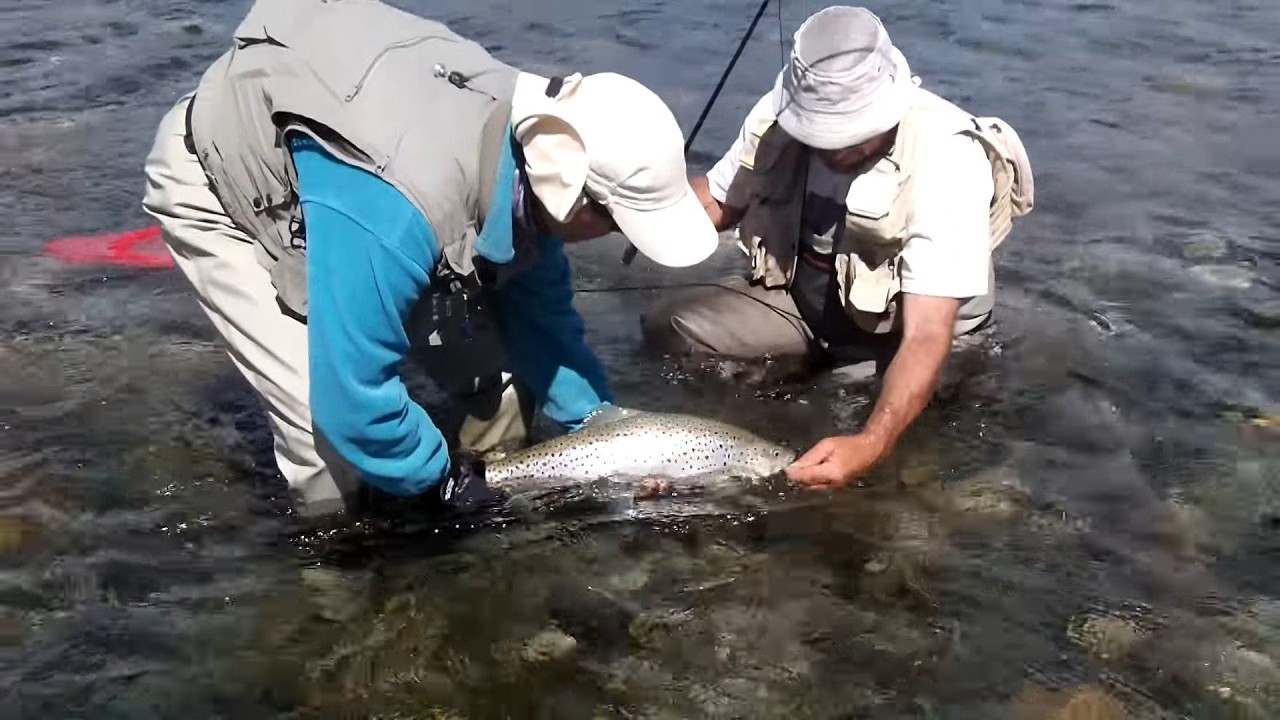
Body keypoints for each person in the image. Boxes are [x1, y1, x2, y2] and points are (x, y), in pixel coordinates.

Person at [141, 0, 719, 519]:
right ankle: (338, 574)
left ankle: (474, 510)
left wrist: (605, 431)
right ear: (574, 199)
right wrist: (439, 481)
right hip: (229, 175)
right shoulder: (399, 209)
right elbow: (350, 399)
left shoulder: (536, 154)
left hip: (363, 170)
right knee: (325, 443)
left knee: (503, 392)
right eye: (617, 222)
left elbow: (545, 329)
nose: (614, 236)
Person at [641, 6, 1034, 489]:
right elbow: (720, 201)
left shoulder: (949, 157)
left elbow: (927, 333)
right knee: (672, 327)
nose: (836, 148)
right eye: (820, 132)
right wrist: (622, 208)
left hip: (908, 333)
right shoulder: (778, 116)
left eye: (850, 133)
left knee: (829, 424)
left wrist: (871, 442)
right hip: (809, 305)